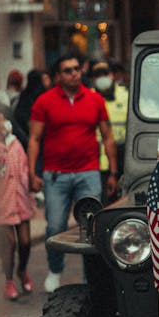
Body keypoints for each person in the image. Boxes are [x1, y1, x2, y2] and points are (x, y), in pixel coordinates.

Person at [27, 52, 118, 292]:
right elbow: (35, 138)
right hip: (55, 175)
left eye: (77, 68)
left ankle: (92, 278)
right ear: (57, 76)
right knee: (55, 226)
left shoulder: (94, 99)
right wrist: (31, 172)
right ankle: (55, 270)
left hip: (88, 172)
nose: (74, 73)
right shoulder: (44, 101)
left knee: (92, 228)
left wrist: (112, 172)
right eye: (68, 70)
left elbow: (107, 136)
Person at [0, 100, 35, 300]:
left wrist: (31, 189)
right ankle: (9, 280)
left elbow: (24, 169)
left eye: (3, 119)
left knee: (26, 241)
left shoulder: (15, 143)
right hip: (1, 202)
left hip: (21, 199)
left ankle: (22, 269)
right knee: (8, 243)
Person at [90, 60, 128, 203]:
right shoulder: (89, 97)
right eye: (98, 75)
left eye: (105, 74)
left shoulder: (125, 95)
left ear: (111, 75)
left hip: (123, 155)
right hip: (99, 159)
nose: (102, 78)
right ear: (93, 79)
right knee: (104, 200)